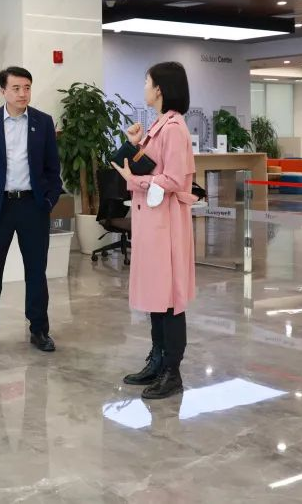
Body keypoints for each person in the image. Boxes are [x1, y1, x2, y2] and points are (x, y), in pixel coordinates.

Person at [112, 61, 197, 400]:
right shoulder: (160, 125)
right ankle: (157, 359)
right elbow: (157, 164)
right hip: (153, 222)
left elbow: (173, 178)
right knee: (156, 296)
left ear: (159, 88)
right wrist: (136, 146)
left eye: (147, 82)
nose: (144, 87)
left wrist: (135, 179)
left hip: (166, 224)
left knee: (170, 298)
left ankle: (172, 371)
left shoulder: (174, 128)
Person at [0, 66, 62, 353]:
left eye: (27, 87)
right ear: (3, 91)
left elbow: (53, 169)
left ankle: (39, 330)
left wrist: (49, 200)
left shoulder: (43, 122)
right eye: (16, 88)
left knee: (36, 271)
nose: (23, 93)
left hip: (33, 206)